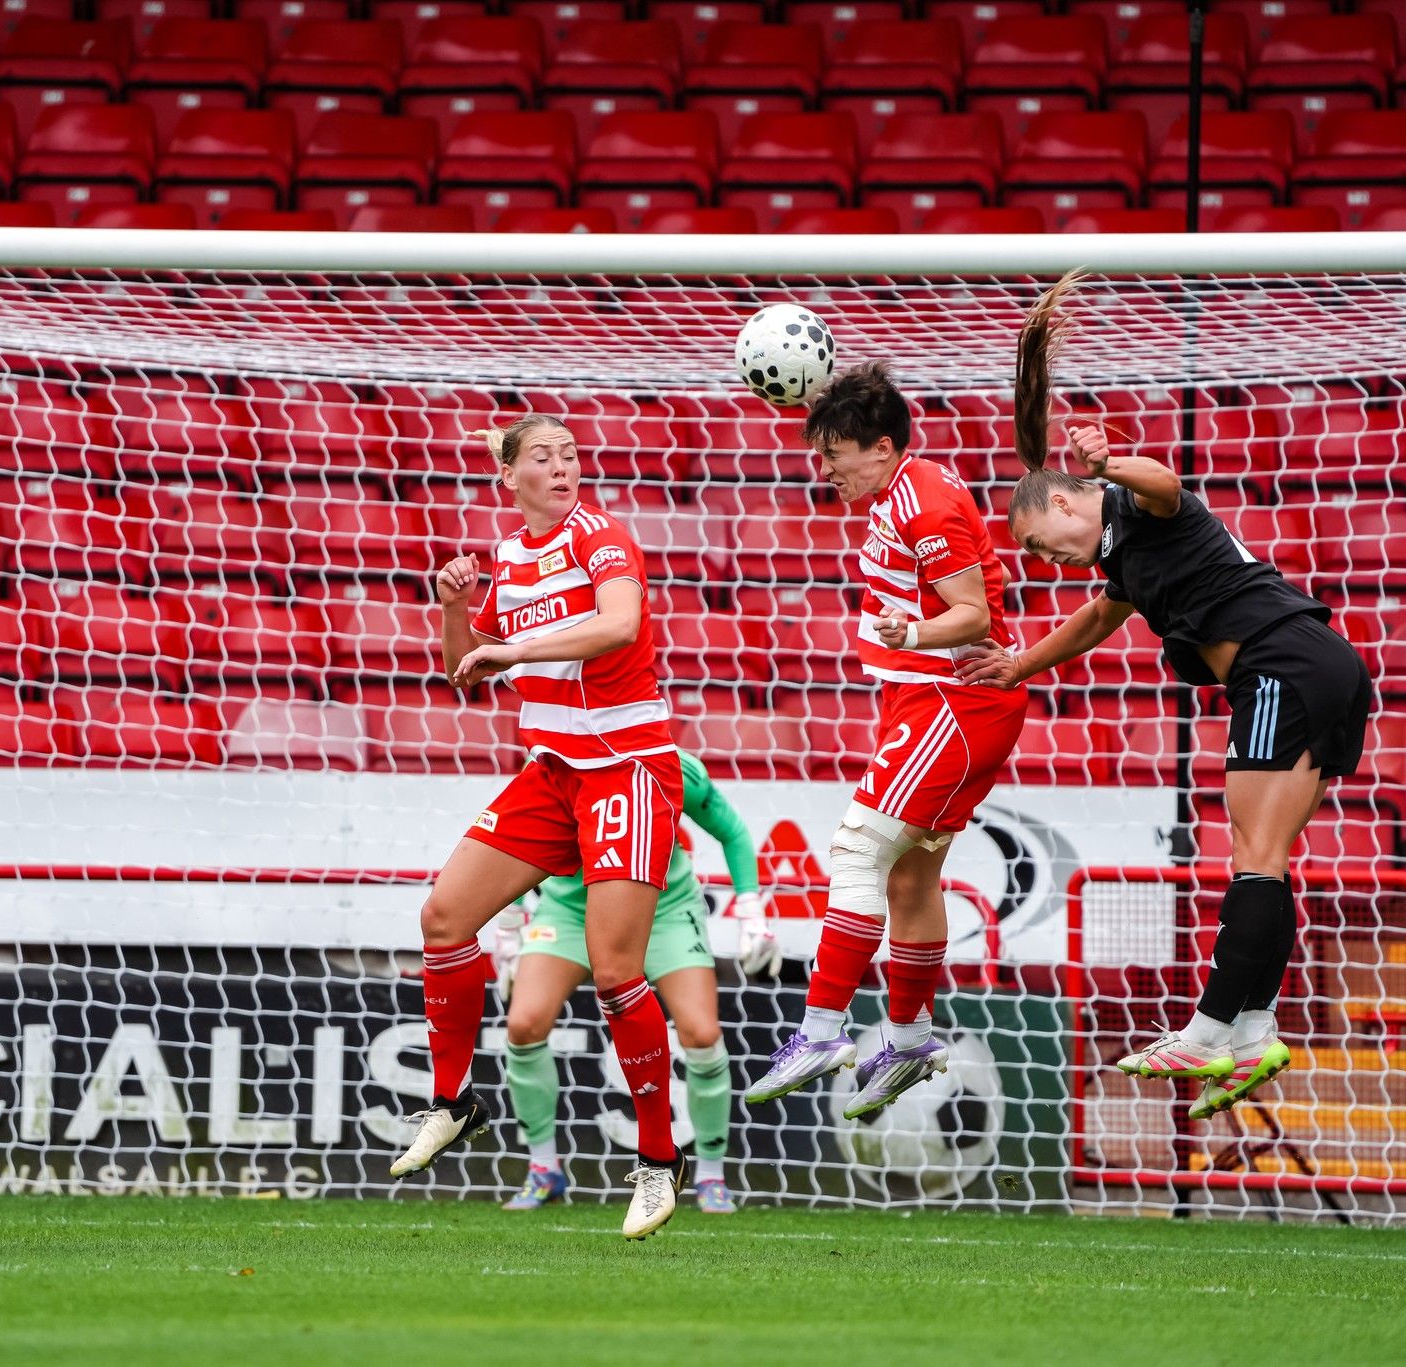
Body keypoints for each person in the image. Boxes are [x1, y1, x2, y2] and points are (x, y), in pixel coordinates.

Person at [959, 272, 1374, 1121]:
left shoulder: (1138, 510)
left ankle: (1208, 1026)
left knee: (1251, 851)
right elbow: (1090, 623)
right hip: (1324, 665)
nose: (1053, 561)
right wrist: (1018, 666)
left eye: (1047, 543)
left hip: (1280, 663)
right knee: (1266, 858)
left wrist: (1111, 459)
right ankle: (1254, 1029)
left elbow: (1163, 482)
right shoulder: (1119, 558)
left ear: (1070, 501)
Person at [392, 415, 689, 1241]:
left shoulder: (601, 536)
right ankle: (453, 1101)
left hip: (627, 771)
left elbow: (619, 624)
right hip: (553, 774)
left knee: (616, 970)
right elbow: (466, 674)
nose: (562, 467)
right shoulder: (508, 559)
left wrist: (513, 653)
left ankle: (660, 1163)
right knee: (443, 918)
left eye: (569, 454)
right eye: (543, 457)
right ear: (510, 477)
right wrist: (456, 609)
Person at [745, 363, 1029, 1119]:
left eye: (834, 453)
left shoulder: (925, 502)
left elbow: (970, 613)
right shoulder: (897, 491)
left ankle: (820, 1030)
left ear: (878, 446)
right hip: (935, 700)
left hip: (953, 701)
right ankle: (908, 1036)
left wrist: (917, 630)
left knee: (856, 849)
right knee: (910, 879)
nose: (826, 469)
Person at [495, 747, 775, 1215]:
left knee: (702, 1035)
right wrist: (507, 924)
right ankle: (543, 1169)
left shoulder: (672, 765)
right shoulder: (548, 765)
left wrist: (751, 909)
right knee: (524, 1026)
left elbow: (733, 832)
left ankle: (709, 1175)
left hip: (664, 908)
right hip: (568, 909)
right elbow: (516, 844)